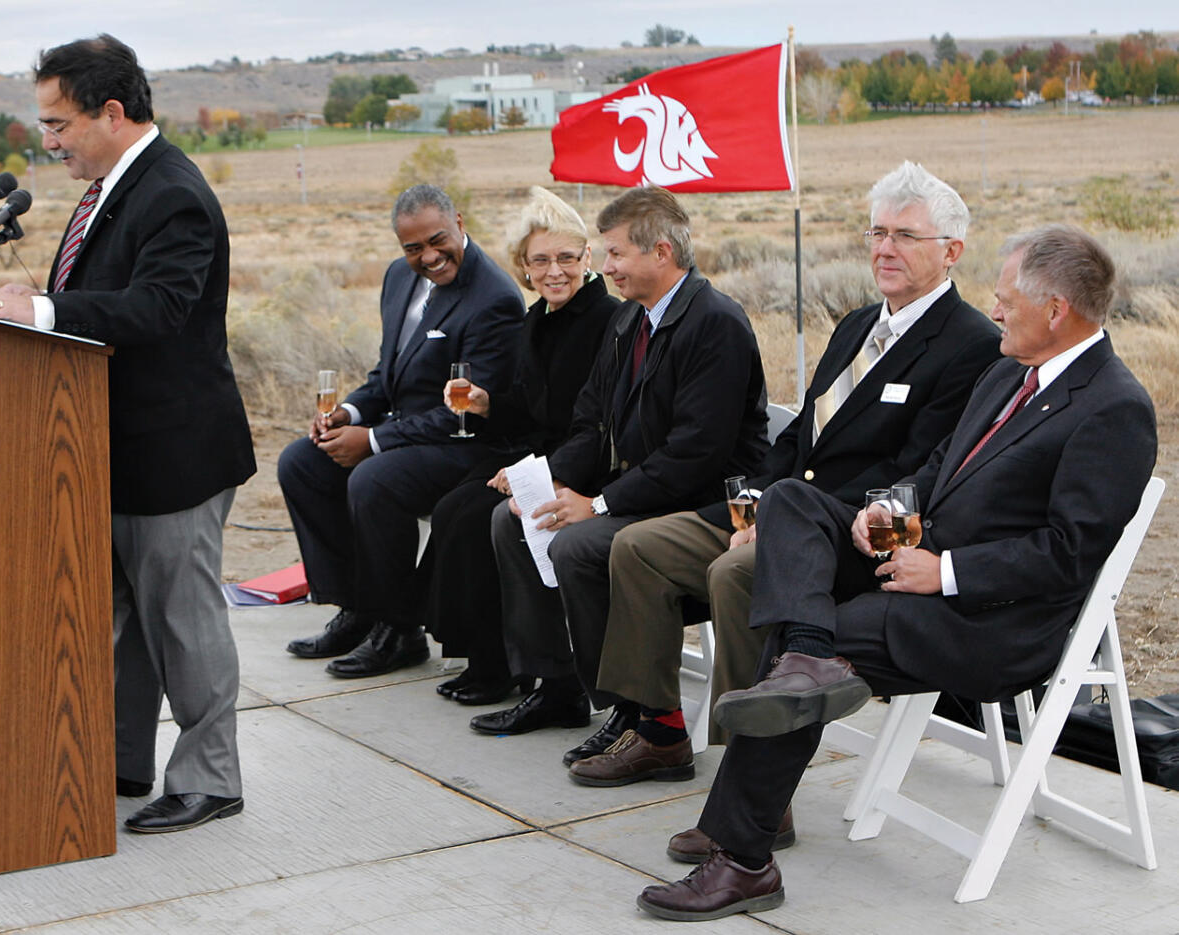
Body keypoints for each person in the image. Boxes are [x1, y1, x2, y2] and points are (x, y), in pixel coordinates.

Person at [636, 225, 1157, 922]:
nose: (994, 311)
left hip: (990, 619)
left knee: (820, 626)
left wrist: (944, 571)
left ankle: (743, 856)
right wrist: (886, 505)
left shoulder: (1114, 407)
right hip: (915, 556)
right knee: (793, 503)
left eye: (1006, 300)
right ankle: (805, 664)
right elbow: (937, 469)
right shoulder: (1008, 372)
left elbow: (1067, 552)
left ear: (1056, 308)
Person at [573, 161, 1002, 794]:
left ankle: (755, 787)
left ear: (952, 252)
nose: (885, 248)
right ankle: (660, 733)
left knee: (733, 573)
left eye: (905, 236)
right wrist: (752, 514)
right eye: (877, 233)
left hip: (850, 532)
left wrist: (782, 521)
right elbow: (800, 436)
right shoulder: (860, 325)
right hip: (780, 509)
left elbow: (917, 473)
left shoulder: (969, 343)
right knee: (637, 547)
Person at [0, 35, 256, 833]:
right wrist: (16, 308)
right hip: (106, 448)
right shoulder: (113, 190)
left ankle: (210, 777)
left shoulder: (173, 193)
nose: (47, 141)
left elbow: (160, 307)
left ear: (112, 112)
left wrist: (43, 311)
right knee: (120, 619)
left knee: (181, 621)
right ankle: (119, 760)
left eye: (58, 124)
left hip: (174, 452)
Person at [471, 187, 771, 769]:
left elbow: (696, 454)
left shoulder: (715, 323)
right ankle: (566, 688)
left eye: (613, 254)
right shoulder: (630, 320)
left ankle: (652, 721)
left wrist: (600, 504)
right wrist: (545, 481)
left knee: (582, 543)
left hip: (706, 506)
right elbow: (591, 423)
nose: (603, 267)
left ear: (661, 253)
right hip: (647, 494)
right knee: (517, 522)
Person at [279, 184, 524, 678]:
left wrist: (372, 441)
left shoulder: (494, 297)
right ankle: (357, 608)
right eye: (413, 248)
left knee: (375, 479)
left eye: (437, 240)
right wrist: (348, 414)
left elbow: (466, 412)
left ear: (459, 221)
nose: (429, 257)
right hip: (408, 435)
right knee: (300, 462)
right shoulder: (398, 278)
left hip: (466, 445)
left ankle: (399, 629)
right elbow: (385, 376)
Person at [424, 187, 618, 705]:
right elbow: (529, 409)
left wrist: (540, 471)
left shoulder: (608, 321)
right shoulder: (537, 322)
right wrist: (487, 405)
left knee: (479, 518)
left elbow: (597, 424)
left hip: (586, 465)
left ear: (587, 259)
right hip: (538, 455)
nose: (555, 271)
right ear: (524, 268)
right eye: (541, 261)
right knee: (452, 507)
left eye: (566, 258)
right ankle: (486, 657)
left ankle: (513, 670)